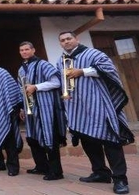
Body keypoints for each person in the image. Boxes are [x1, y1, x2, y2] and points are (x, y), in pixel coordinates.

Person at [57, 31, 134, 194]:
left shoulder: (93, 53)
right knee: (88, 139)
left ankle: (120, 179)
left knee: (111, 140)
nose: (66, 42)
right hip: (77, 108)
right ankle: (100, 172)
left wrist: (82, 71)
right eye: (62, 40)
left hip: (99, 104)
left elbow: (109, 69)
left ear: (76, 39)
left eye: (69, 38)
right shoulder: (61, 60)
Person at [17, 42, 67, 181]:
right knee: (32, 138)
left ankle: (56, 172)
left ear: (33, 50)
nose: (24, 52)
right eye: (21, 50)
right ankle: (41, 167)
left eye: (27, 49)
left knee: (49, 137)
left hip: (46, 108)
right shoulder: (21, 69)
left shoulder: (43, 64)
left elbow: (57, 82)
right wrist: (22, 107)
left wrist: (36, 87)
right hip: (30, 108)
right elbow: (20, 89)